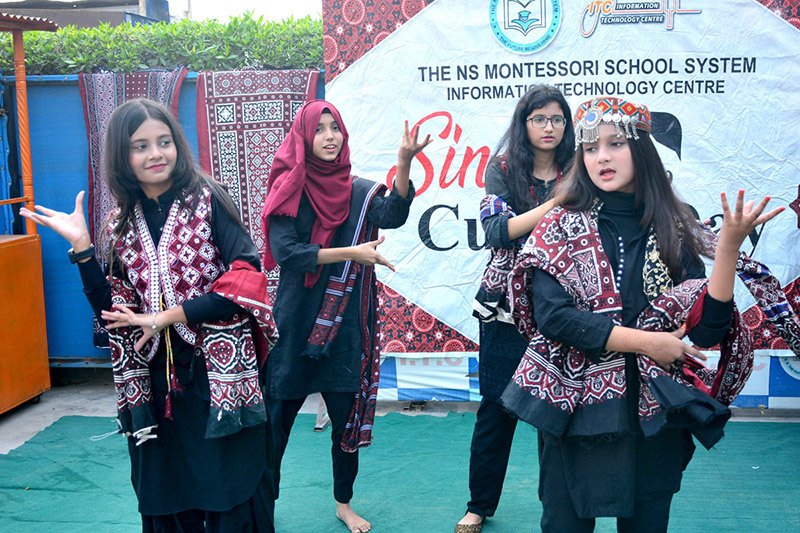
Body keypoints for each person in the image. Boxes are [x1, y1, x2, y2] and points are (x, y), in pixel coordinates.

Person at [499, 96, 785, 532]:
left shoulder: (676, 222)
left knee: (647, 524)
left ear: (643, 150)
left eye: (616, 144)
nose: (602, 157)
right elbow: (555, 318)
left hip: (652, 410)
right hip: (573, 404)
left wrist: (727, 248)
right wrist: (649, 341)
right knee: (564, 524)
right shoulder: (560, 225)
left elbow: (707, 330)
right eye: (591, 148)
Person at [20, 98, 278, 532]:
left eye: (163, 141)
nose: (155, 154)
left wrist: (166, 316)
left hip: (220, 375)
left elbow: (245, 280)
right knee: (166, 487)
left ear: (177, 143)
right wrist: (83, 249)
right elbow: (113, 315)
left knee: (230, 482)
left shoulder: (208, 199)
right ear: (122, 156)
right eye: (140, 146)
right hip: (155, 382)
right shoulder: (118, 223)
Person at [260, 99, 431, 533]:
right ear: (303, 137)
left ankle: (344, 503)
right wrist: (350, 253)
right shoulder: (288, 189)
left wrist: (404, 164)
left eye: (335, 127)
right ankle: (261, 507)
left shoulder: (357, 190)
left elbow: (392, 213)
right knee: (273, 426)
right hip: (296, 324)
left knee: (345, 424)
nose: (330, 136)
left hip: (344, 328)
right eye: (319, 129)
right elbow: (288, 254)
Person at [456, 85, 574, 533]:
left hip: (564, 306)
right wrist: (557, 203)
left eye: (557, 119)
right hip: (506, 308)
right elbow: (497, 230)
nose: (549, 127)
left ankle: (557, 507)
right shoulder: (502, 167)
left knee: (557, 411)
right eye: (539, 118)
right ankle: (479, 505)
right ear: (523, 123)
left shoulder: (580, 168)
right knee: (496, 409)